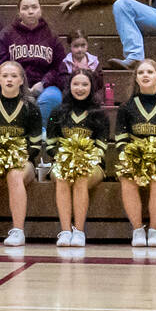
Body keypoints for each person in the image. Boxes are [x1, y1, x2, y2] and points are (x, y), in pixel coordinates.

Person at [0, 61, 43, 246]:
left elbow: (35, 146)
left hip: (23, 161)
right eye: (5, 76)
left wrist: (16, 158)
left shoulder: (31, 108)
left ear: (21, 81)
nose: (9, 79)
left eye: (14, 76)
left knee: (14, 174)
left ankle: (18, 231)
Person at [114, 58, 156, 247]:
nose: (145, 75)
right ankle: (137, 231)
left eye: (150, 72)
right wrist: (133, 158)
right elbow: (120, 139)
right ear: (135, 78)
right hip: (133, 160)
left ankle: (154, 232)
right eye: (141, 72)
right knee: (127, 180)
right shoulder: (126, 107)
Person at [46, 68, 109, 247]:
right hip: (62, 164)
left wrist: (84, 161)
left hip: (92, 166)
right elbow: (50, 144)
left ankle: (79, 231)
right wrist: (65, 159)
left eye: (84, 84)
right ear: (69, 86)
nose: (80, 88)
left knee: (81, 178)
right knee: (61, 176)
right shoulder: (57, 112)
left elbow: (102, 146)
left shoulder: (99, 114)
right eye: (76, 84)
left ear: (92, 87)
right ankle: (65, 231)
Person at [0, 0, 66, 126]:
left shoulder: (51, 35)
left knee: (52, 98)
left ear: (40, 10)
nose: (30, 11)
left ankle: (41, 139)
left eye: (34, 7)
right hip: (15, 84)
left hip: (44, 86)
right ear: (19, 12)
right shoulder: (7, 34)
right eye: (25, 8)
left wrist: (44, 83)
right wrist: (19, 85)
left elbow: (60, 67)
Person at [57, 29, 104, 98]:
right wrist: (73, 74)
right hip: (71, 96)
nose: (80, 49)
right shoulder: (66, 63)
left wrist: (92, 74)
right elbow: (63, 84)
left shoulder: (93, 62)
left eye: (83, 45)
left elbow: (100, 84)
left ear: (87, 45)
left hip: (90, 94)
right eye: (76, 46)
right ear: (70, 46)